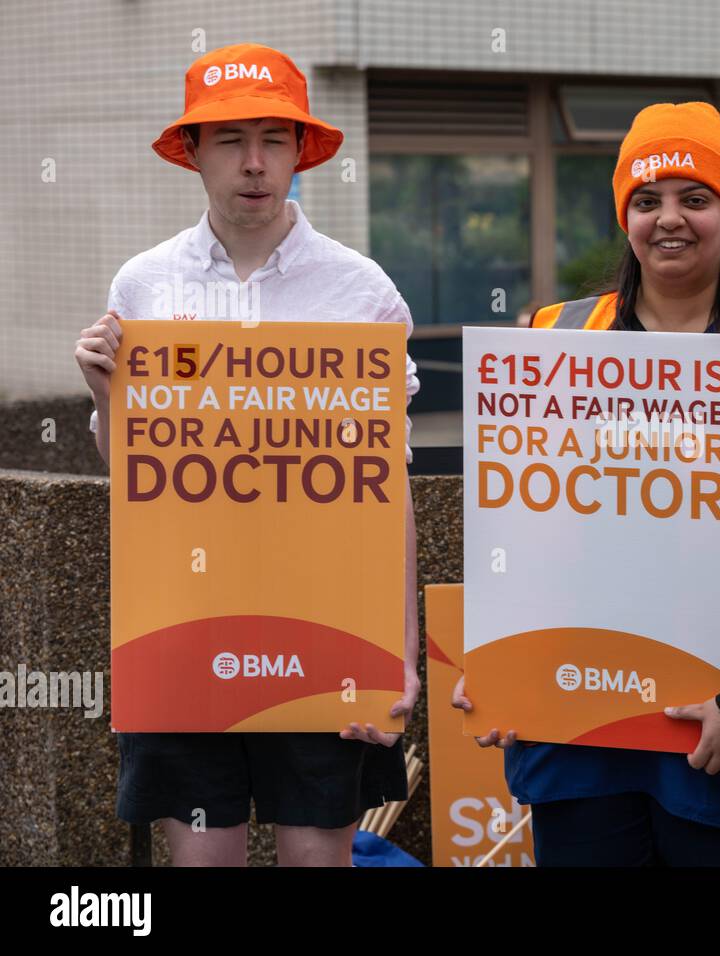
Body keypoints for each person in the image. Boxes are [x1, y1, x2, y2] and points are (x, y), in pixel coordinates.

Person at [452, 101, 720, 866]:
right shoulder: (552, 336)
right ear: (625, 214)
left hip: (711, 739)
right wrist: (500, 666)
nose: (670, 220)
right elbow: (518, 530)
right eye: (647, 200)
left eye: (695, 199)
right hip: (576, 734)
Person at [73, 43, 421, 866]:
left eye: (275, 137)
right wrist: (102, 397)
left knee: (315, 859)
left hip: (327, 634)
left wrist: (398, 659)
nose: (256, 164)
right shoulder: (144, 286)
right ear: (192, 152)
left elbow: (387, 488)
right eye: (230, 139)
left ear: (303, 150)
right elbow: (141, 486)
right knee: (204, 860)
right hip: (184, 634)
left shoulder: (362, 292)